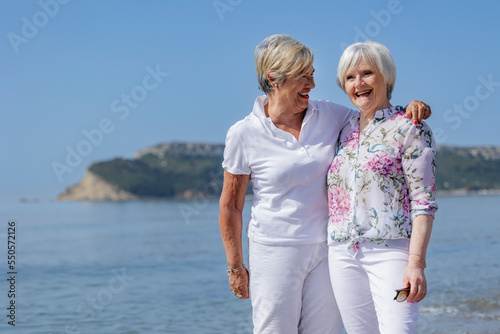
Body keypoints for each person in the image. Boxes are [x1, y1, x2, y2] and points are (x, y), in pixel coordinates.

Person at [219, 34, 430, 334]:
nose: (312, 84)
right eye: (302, 77)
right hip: (274, 250)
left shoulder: (331, 115)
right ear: (274, 79)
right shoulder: (243, 133)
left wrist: (413, 108)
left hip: (328, 251)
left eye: (312, 74)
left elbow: (375, 115)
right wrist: (235, 267)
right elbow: (230, 206)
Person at [327, 40, 437, 333]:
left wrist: (416, 263)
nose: (358, 84)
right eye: (350, 78)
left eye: (367, 73)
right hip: (342, 254)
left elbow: (423, 202)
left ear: (386, 76)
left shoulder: (410, 126)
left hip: (391, 252)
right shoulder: (341, 128)